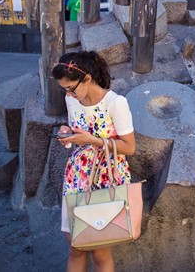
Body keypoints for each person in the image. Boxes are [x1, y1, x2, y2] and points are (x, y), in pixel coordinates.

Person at [51, 51, 137, 272]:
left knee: (100, 252)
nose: (68, 94)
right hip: (77, 177)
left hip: (106, 179)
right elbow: (78, 132)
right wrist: (67, 134)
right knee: (75, 246)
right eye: (64, 89)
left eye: (71, 88)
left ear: (87, 78)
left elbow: (129, 147)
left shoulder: (115, 103)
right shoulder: (72, 100)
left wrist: (92, 141)